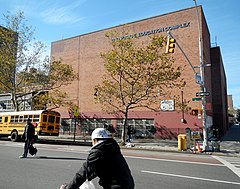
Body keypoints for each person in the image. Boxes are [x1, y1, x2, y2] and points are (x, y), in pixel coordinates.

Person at [60, 128, 135, 189]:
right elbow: (99, 168)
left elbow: (82, 173)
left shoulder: (97, 152)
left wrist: (67, 188)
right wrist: (89, 178)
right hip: (128, 185)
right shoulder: (111, 148)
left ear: (94, 140)